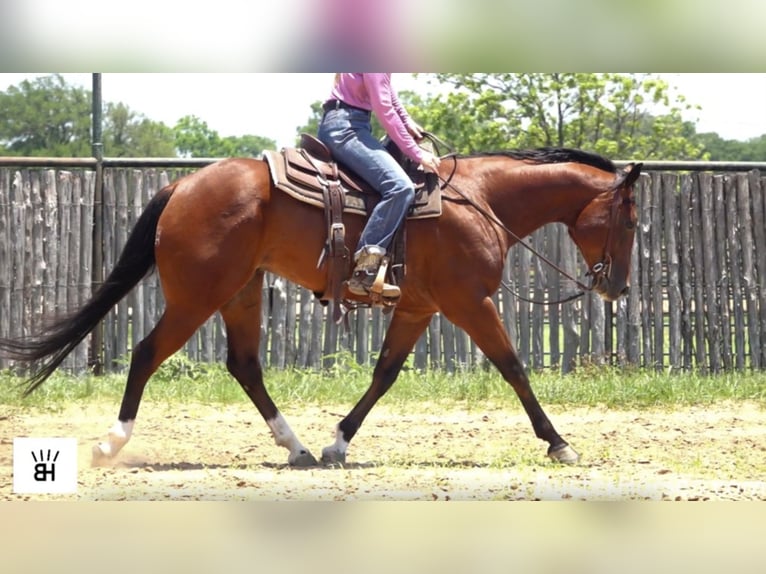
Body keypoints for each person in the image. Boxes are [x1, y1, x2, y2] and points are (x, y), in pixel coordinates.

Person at [317, 73, 441, 299]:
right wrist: (416, 153)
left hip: (347, 123)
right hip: (347, 128)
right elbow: (383, 108)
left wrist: (407, 121)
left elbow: (388, 94)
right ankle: (365, 270)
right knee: (400, 187)